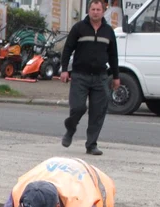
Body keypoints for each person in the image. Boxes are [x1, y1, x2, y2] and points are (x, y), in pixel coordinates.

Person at [60, 0, 120, 156]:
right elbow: (67, 49)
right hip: (80, 75)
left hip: (100, 77)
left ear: (103, 11)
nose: (95, 12)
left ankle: (91, 145)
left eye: (98, 9)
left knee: (98, 111)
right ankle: (70, 127)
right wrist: (64, 70)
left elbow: (113, 55)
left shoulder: (108, 31)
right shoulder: (78, 28)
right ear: (89, 11)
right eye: (93, 9)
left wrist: (116, 76)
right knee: (78, 107)